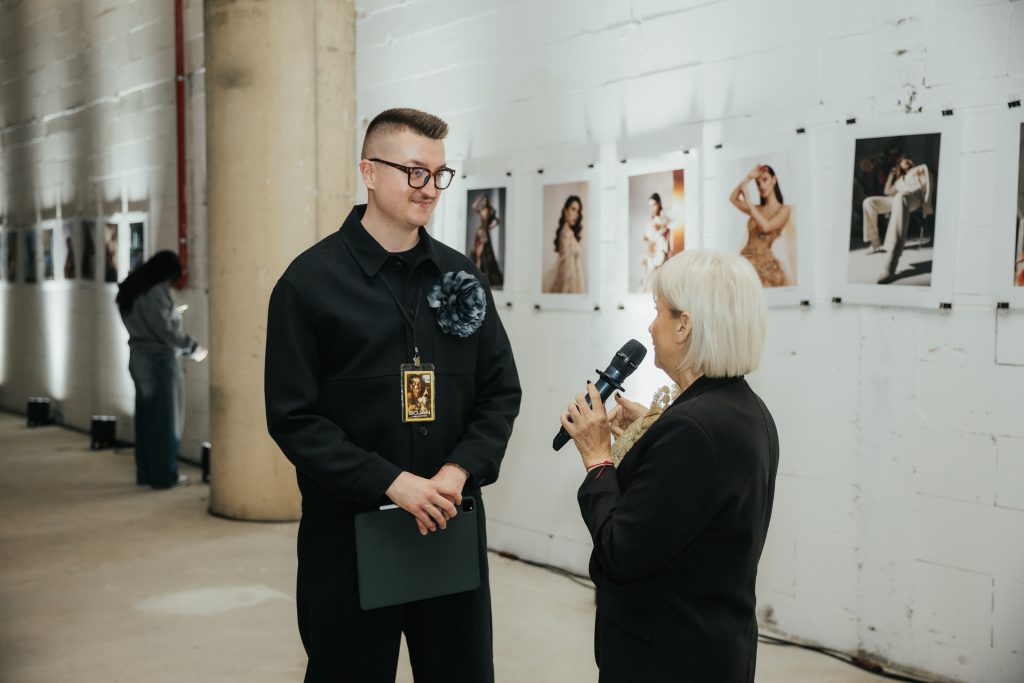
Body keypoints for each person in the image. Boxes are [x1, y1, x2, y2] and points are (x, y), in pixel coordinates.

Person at [264, 108, 521, 683]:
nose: (429, 188)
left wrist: (458, 469)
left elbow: (500, 392)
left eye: (438, 174)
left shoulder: (461, 276)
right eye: (414, 172)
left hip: (447, 524)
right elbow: (294, 418)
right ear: (369, 172)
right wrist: (391, 481)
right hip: (350, 536)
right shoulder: (308, 285)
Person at [559, 250, 779, 682]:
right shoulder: (745, 408)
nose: (650, 326)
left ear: (684, 325)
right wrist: (650, 434)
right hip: (714, 646)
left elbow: (620, 551)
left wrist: (598, 459)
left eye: (658, 311)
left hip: (668, 656)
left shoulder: (692, 430)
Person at [116, 250, 206, 489]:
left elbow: (151, 322)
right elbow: (164, 330)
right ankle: (165, 476)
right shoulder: (154, 291)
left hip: (138, 357)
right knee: (166, 422)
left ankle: (146, 473)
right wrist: (193, 348)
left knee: (146, 420)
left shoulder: (131, 289)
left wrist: (171, 315)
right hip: (158, 360)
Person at [861, 155, 933, 283]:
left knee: (901, 197)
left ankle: (892, 260)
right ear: (899, 164)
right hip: (898, 199)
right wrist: (891, 175)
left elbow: (929, 183)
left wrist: (926, 205)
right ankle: (874, 242)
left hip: (914, 198)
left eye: (909, 159)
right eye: (905, 160)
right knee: (869, 202)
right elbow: (887, 192)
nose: (908, 160)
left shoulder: (920, 168)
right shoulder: (899, 181)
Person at [730, 164, 794, 287]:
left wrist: (748, 201)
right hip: (745, 259)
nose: (761, 186)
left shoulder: (784, 210)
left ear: (774, 180)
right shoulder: (757, 209)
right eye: (758, 183)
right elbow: (733, 199)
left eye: (765, 180)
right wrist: (748, 178)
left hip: (765, 265)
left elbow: (766, 227)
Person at [545, 195, 585, 293]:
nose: (576, 214)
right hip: (571, 287)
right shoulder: (566, 233)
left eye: (578, 211)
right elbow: (566, 271)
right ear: (565, 211)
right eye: (573, 209)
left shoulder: (569, 232)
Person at [470, 193, 504, 287]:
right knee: (477, 255)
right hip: (479, 232)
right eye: (483, 200)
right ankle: (477, 276)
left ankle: (483, 277)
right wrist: (480, 198)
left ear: (488, 201)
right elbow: (474, 206)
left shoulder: (491, 211)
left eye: (485, 200)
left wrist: (489, 227)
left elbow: (497, 221)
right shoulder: (481, 210)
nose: (484, 201)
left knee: (484, 255)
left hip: (484, 234)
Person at [640, 192, 671, 291]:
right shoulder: (650, 224)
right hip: (651, 256)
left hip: (660, 257)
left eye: (654, 205)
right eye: (650, 206)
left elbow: (666, 242)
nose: (652, 208)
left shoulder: (664, 220)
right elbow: (649, 241)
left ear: (659, 204)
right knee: (648, 283)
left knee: (658, 286)